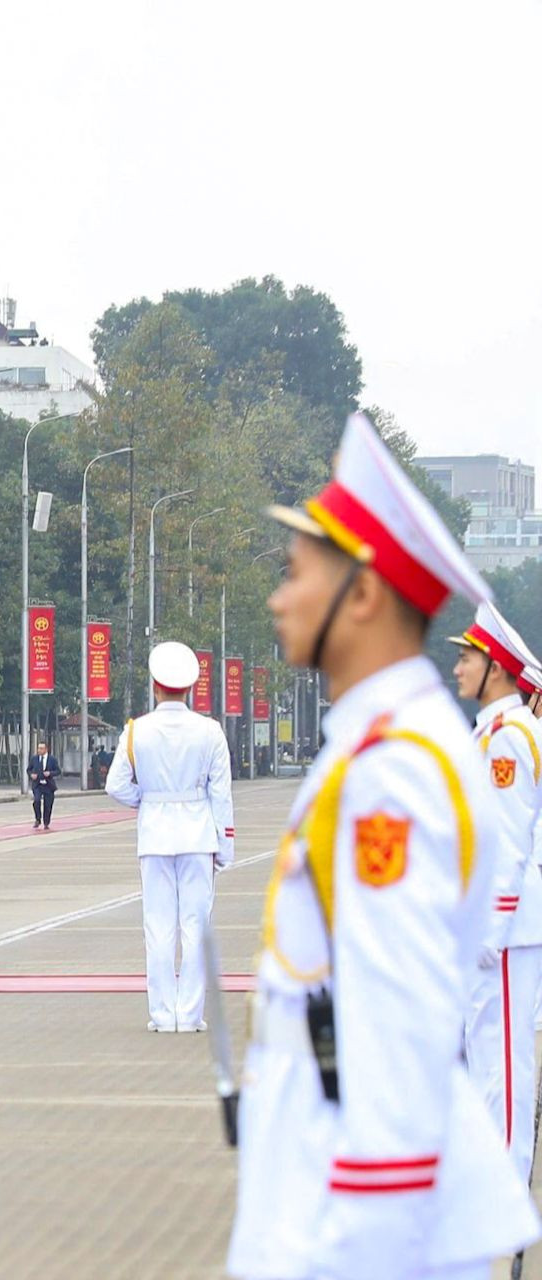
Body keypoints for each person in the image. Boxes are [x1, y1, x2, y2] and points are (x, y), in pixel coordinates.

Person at [227, 411, 538, 1278]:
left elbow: (393, 1024)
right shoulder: (391, 746)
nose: (277, 598)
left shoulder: (393, 771)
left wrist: (373, 1235)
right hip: (339, 1168)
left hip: (366, 1211)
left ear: (362, 596)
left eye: (297, 575)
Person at [447, 602, 542, 1181]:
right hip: (492, 919)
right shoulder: (494, 733)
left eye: (467, 658)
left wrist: (492, 924)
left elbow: (507, 843)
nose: (458, 668)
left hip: (504, 924)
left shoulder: (507, 739)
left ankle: (505, 1186)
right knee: (485, 1050)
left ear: (498, 670)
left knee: (503, 1059)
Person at [105, 643, 234, 1033]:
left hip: (155, 835)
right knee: (196, 926)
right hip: (197, 836)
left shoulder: (136, 731)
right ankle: (190, 1015)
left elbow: (115, 785)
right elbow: (221, 794)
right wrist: (224, 847)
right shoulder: (210, 731)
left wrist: (146, 800)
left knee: (158, 927)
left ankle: (163, 1016)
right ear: (190, 689)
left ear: (155, 686)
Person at [27, 739, 61, 831]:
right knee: (36, 801)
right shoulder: (34, 759)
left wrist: (50, 773)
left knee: (48, 805)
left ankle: (46, 822)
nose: (39, 750)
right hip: (37, 784)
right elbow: (29, 769)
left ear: (46, 749)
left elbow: (58, 771)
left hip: (48, 785)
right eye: (38, 748)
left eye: (41, 748)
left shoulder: (52, 759)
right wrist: (31, 775)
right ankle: (38, 819)